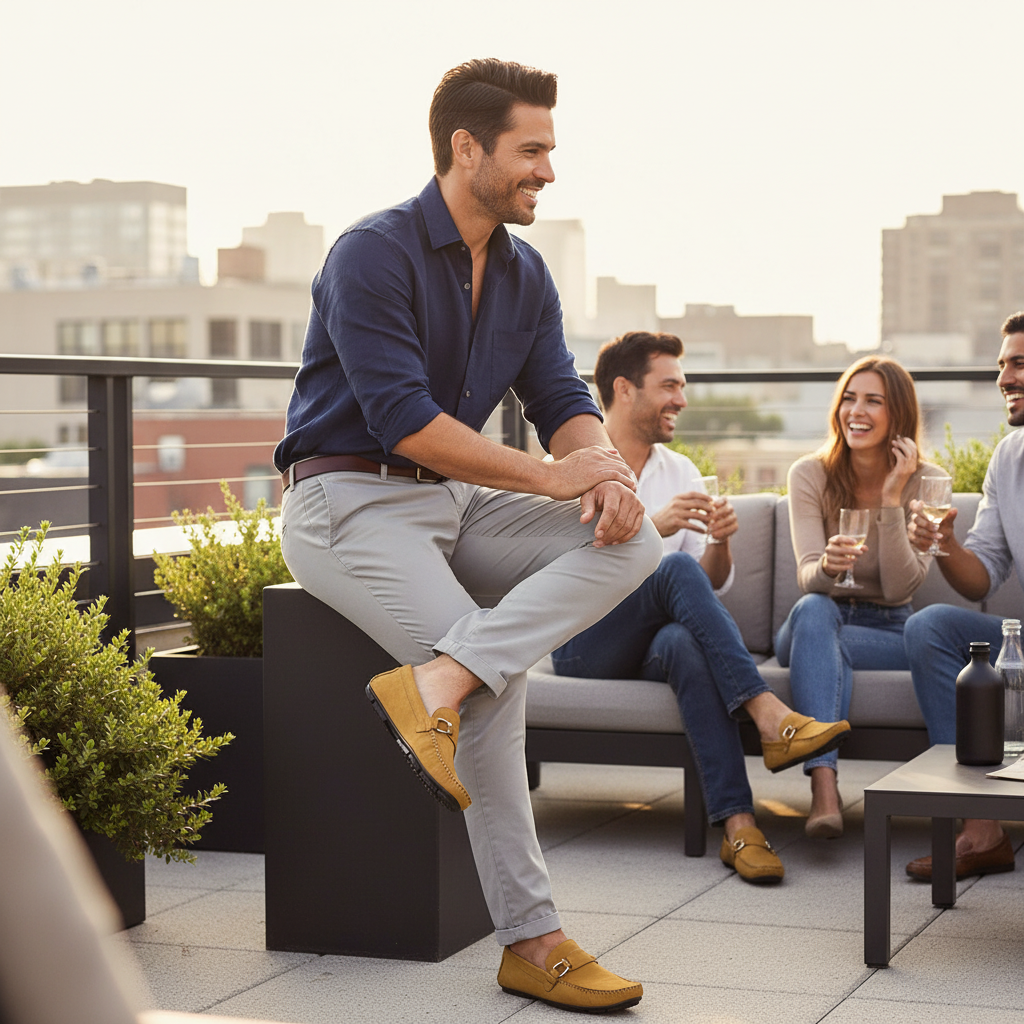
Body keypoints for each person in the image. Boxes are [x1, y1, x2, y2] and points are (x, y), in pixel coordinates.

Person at [274, 59, 663, 1013]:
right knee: (501, 692)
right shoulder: (372, 252)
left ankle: (438, 683)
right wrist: (551, 473)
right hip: (347, 503)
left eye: (549, 152)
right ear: (467, 148)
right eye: (532, 150)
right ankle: (534, 940)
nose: (548, 170)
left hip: (454, 503)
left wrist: (605, 473)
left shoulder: (525, 274)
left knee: (635, 544)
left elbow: (562, 398)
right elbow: (401, 417)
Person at [551, 331, 851, 884]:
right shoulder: (572, 468)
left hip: (651, 644)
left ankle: (740, 826)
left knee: (684, 642)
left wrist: (720, 541)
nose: (681, 400)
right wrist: (652, 529)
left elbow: (704, 584)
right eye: (669, 385)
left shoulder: (682, 472)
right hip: (582, 639)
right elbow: (556, 574)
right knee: (669, 565)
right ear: (624, 388)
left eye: (682, 387)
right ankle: (768, 715)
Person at [776, 355, 942, 838]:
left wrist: (891, 499)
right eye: (849, 398)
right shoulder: (810, 474)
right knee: (814, 611)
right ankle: (824, 787)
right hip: (815, 620)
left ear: (899, 415)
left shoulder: (926, 481)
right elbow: (809, 578)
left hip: (890, 628)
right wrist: (828, 567)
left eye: (873, 400)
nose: (856, 411)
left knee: (827, 650)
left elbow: (900, 588)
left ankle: (824, 792)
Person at [901, 311, 1024, 880]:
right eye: (1002, 364)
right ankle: (981, 829)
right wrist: (946, 543)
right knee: (928, 626)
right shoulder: (1009, 457)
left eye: (1019, 363)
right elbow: (984, 576)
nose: (1004, 378)